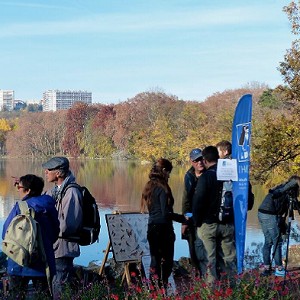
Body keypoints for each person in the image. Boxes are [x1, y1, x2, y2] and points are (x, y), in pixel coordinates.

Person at [2, 174, 59, 299]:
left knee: (16, 296)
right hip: (43, 262)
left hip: (18, 262)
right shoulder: (49, 206)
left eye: (19, 187)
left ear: (28, 191)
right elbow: (55, 233)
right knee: (43, 296)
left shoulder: (20, 207)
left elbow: (5, 233)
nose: (18, 189)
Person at [192, 146, 236, 285]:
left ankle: (211, 293)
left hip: (208, 225)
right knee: (229, 259)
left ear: (204, 160)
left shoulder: (206, 177)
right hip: (227, 223)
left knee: (209, 260)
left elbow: (198, 201)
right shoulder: (231, 174)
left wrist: (196, 222)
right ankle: (232, 290)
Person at [42, 156, 83, 299]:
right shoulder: (55, 191)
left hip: (64, 249)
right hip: (54, 247)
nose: (45, 172)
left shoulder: (71, 192)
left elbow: (69, 225)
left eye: (49, 170)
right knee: (55, 285)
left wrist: (48, 226)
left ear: (58, 173)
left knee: (60, 287)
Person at [141, 158, 185, 289]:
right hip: (163, 229)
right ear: (164, 171)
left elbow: (155, 211)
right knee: (167, 263)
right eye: (169, 172)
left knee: (154, 261)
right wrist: (182, 219)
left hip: (152, 227)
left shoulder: (149, 186)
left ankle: (153, 291)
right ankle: (163, 289)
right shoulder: (162, 188)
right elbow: (165, 213)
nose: (169, 176)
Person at [258, 175, 300, 277]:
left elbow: (293, 205)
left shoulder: (282, 188)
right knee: (277, 242)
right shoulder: (284, 190)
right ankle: (279, 268)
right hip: (270, 214)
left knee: (268, 241)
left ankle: (267, 267)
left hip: (262, 213)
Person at [181, 148, 207, 276]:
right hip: (192, 218)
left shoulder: (211, 174)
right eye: (196, 160)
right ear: (192, 161)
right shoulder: (189, 176)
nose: (200, 162)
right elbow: (186, 200)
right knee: (193, 248)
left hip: (207, 219)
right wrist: (184, 221)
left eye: (201, 159)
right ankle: (198, 275)